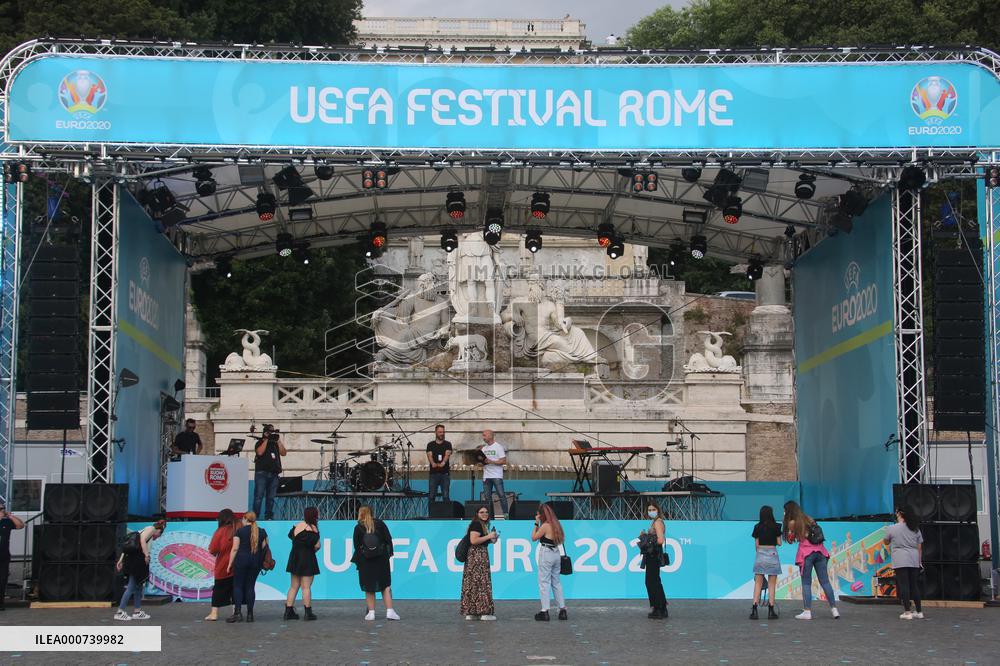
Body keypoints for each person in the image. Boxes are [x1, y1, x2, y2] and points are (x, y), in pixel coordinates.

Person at [783, 501, 839, 620]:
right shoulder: (809, 518)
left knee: (806, 583)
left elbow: (790, 539)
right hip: (820, 552)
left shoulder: (793, 523)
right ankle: (834, 609)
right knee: (825, 582)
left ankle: (807, 611)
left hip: (806, 554)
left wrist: (789, 530)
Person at [351, 505, 399, 621]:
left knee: (368, 587)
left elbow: (357, 546)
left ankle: (371, 613)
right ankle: (390, 611)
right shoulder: (380, 524)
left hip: (365, 561)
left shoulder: (358, 527)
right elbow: (388, 540)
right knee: (385, 586)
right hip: (381, 560)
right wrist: (389, 554)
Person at [114, 519, 165, 621]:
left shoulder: (142, 531)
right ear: (158, 531)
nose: (157, 538)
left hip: (134, 560)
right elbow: (142, 540)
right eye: (159, 535)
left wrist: (121, 560)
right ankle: (120, 612)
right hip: (136, 561)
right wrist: (146, 555)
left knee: (138, 586)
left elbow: (128, 546)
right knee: (131, 587)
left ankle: (137, 611)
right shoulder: (152, 529)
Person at [884, 505, 925, 620]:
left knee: (904, 585)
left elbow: (886, 542)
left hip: (900, 558)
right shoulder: (915, 528)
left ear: (899, 514)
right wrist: (919, 561)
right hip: (914, 558)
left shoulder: (892, 528)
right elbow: (919, 547)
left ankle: (907, 612)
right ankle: (919, 611)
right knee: (914, 585)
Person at [227, 511, 268, 623]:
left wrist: (230, 564)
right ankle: (250, 615)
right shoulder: (262, 532)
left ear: (245, 519)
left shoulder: (240, 531)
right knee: (250, 587)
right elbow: (265, 548)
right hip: (255, 562)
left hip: (241, 561)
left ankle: (238, 613)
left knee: (238, 586)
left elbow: (235, 549)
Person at [530, 502, 567, 621]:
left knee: (544, 582)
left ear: (541, 514)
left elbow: (534, 537)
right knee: (556, 582)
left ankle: (544, 610)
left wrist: (536, 523)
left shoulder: (545, 525)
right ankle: (562, 609)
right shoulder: (557, 524)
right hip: (556, 553)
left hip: (546, 552)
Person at [461, 505, 498, 621]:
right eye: (482, 512)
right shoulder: (476, 524)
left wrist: (492, 539)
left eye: (486, 512)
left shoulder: (483, 525)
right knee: (482, 583)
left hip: (477, 555)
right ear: (477, 514)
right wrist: (489, 536)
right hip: (477, 556)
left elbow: (481, 540)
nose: (485, 514)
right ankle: (484, 612)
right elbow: (474, 540)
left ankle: (472, 612)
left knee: (473, 583)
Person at [285, 506, 320, 620]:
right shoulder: (313, 530)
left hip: (294, 558)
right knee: (306, 587)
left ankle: (288, 611)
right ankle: (308, 612)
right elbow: (317, 546)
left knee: (293, 586)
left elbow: (291, 536)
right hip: (307, 558)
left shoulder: (297, 526)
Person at [205, 509, 238, 622]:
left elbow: (213, 549)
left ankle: (214, 613)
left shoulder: (220, 531)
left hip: (223, 564)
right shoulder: (238, 528)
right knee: (235, 588)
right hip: (238, 564)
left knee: (219, 588)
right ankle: (236, 612)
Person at [750, 505, 781, 620]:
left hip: (760, 554)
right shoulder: (777, 526)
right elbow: (779, 543)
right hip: (772, 554)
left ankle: (754, 610)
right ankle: (771, 611)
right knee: (771, 584)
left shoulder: (757, 527)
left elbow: (756, 545)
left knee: (758, 583)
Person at [638, 502, 668, 619]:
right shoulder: (656, 522)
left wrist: (647, 538)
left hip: (654, 553)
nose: (651, 511)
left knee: (651, 581)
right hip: (653, 553)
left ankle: (658, 608)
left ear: (658, 510)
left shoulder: (657, 522)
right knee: (654, 580)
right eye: (649, 510)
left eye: (653, 509)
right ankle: (660, 607)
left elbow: (660, 540)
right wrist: (646, 535)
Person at [252, 424, 286, 520]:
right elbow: (260, 452)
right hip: (261, 474)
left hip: (274, 474)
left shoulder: (275, 444)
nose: (271, 434)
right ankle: (255, 516)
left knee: (271, 497)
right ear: (265, 432)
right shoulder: (259, 442)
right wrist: (266, 439)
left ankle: (268, 516)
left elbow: (284, 453)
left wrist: (278, 440)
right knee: (259, 496)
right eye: (269, 432)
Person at [0, 501, 25, 611]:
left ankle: (0, 603)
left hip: (3, 556)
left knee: (2, 580)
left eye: (2, 509)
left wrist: (9, 515)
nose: (1, 511)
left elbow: (20, 525)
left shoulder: (6, 522)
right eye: (0, 509)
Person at [477, 430, 508, 520]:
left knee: (501, 495)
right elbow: (482, 462)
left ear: (490, 436)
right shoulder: (484, 449)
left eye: (484, 435)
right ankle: (490, 516)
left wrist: (491, 461)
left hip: (496, 475)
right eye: (483, 436)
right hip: (486, 476)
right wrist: (480, 463)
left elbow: (503, 461)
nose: (483, 437)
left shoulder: (498, 447)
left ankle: (506, 515)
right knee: (487, 498)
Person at [426, 424, 453, 501]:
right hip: (433, 473)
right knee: (431, 496)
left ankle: (446, 509)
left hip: (445, 473)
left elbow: (447, 454)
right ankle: (432, 509)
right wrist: (433, 463)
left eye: (443, 432)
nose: (442, 434)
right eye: (440, 432)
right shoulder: (430, 445)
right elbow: (429, 455)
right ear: (435, 432)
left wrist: (443, 463)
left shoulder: (448, 444)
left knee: (446, 496)